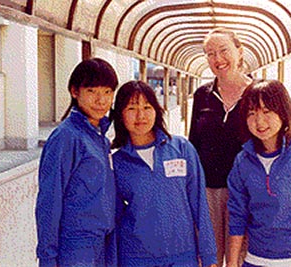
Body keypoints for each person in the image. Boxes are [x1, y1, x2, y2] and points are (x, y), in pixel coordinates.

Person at [226, 79, 291, 267]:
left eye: (267, 111)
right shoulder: (242, 161)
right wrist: (233, 262)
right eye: (251, 113)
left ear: (283, 112)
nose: (259, 121)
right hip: (255, 259)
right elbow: (237, 213)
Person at [110, 80, 217, 267]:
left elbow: (199, 204)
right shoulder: (116, 162)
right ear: (120, 115)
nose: (140, 115)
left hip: (183, 256)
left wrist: (209, 256)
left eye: (147, 107)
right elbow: (114, 218)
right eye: (131, 108)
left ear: (157, 110)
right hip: (136, 258)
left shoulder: (181, 148)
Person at [35, 58, 119, 267]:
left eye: (107, 92)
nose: (101, 100)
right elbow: (49, 200)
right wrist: (47, 257)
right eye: (92, 91)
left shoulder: (100, 136)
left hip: (103, 243)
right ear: (75, 91)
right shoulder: (67, 137)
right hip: (75, 248)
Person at [188, 27, 253, 266]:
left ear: (239, 51)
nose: (218, 59)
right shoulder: (202, 95)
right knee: (208, 258)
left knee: (242, 258)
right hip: (208, 191)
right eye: (210, 53)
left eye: (224, 50)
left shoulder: (256, 94)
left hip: (246, 191)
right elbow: (193, 145)